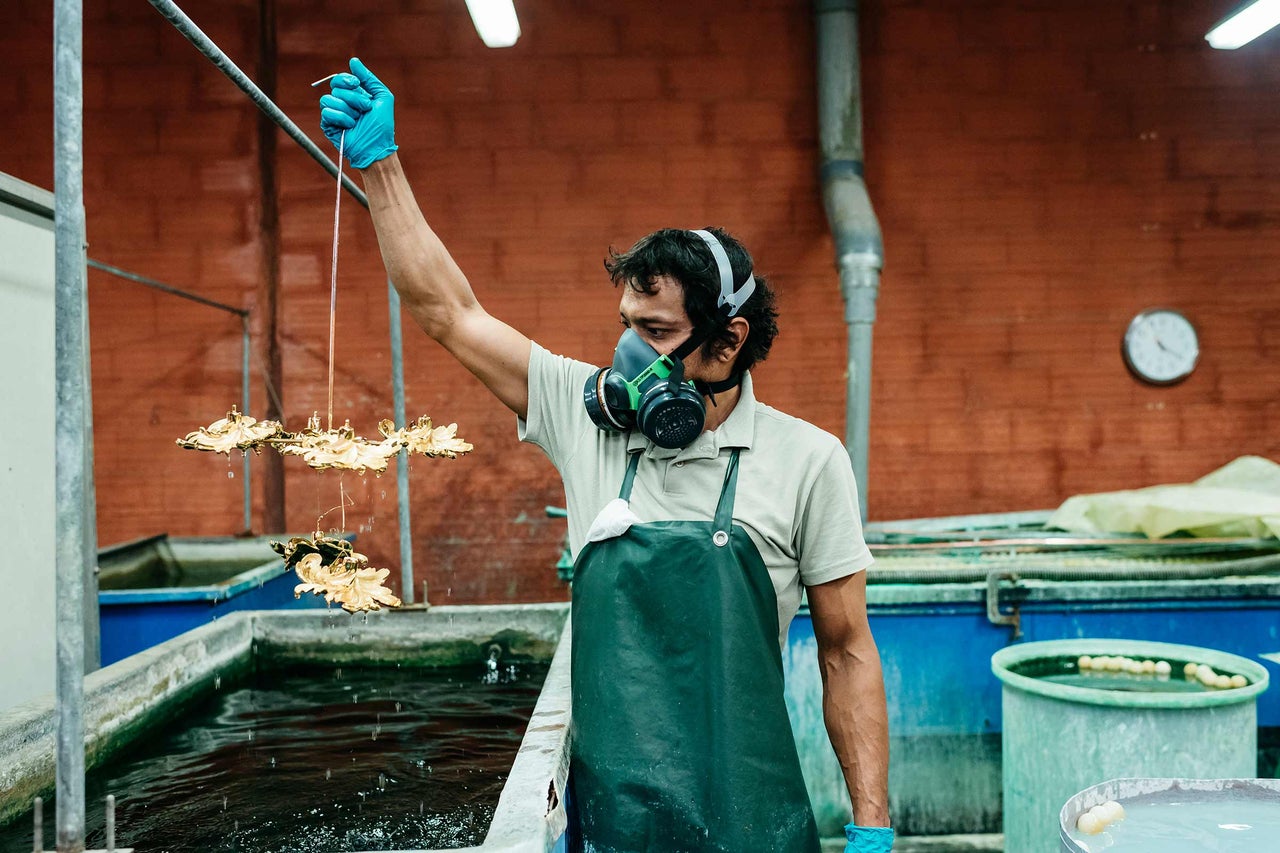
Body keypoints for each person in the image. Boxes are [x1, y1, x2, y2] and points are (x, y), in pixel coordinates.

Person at [320, 57, 892, 853]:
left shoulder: (809, 460)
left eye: (656, 334)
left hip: (751, 821)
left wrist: (872, 823)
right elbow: (447, 312)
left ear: (727, 339)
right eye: (628, 324)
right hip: (616, 827)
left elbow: (847, 650)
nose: (629, 355)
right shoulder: (585, 417)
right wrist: (381, 167)